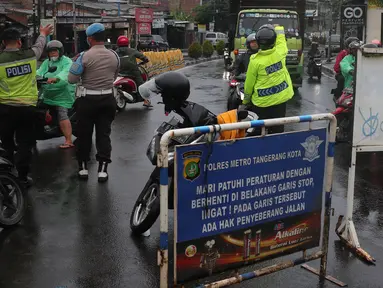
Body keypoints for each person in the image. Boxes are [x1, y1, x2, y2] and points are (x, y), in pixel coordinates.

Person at [0, 25, 53, 188]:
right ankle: (22, 178)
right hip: (28, 109)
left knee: (7, 144)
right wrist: (43, 33)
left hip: (6, 110)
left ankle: (7, 178)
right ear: (19, 42)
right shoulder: (30, 56)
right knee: (25, 144)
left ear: (3, 43)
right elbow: (40, 45)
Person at [68, 23, 120, 182]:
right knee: (104, 134)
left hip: (87, 100)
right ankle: (103, 170)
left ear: (90, 39)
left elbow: (71, 79)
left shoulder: (84, 56)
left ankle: (83, 168)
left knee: (84, 135)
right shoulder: (114, 56)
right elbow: (114, 76)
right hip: (108, 99)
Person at [242, 24, 293, 134]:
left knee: (259, 130)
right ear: (273, 41)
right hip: (280, 100)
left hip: (261, 104)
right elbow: (281, 40)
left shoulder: (255, 61)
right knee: (278, 129)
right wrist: (279, 27)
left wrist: (246, 101)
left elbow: (249, 85)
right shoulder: (280, 52)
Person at [37, 40, 76, 149]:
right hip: (48, 94)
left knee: (62, 114)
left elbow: (66, 73)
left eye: (55, 51)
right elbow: (40, 72)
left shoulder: (67, 61)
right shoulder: (47, 62)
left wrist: (56, 78)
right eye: (50, 52)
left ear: (60, 51)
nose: (53, 54)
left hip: (62, 95)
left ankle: (68, 140)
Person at [115, 35, 151, 107]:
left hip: (119, 72)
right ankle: (145, 100)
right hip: (132, 72)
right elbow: (143, 57)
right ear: (127, 43)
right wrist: (145, 61)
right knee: (141, 84)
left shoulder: (115, 52)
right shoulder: (132, 50)